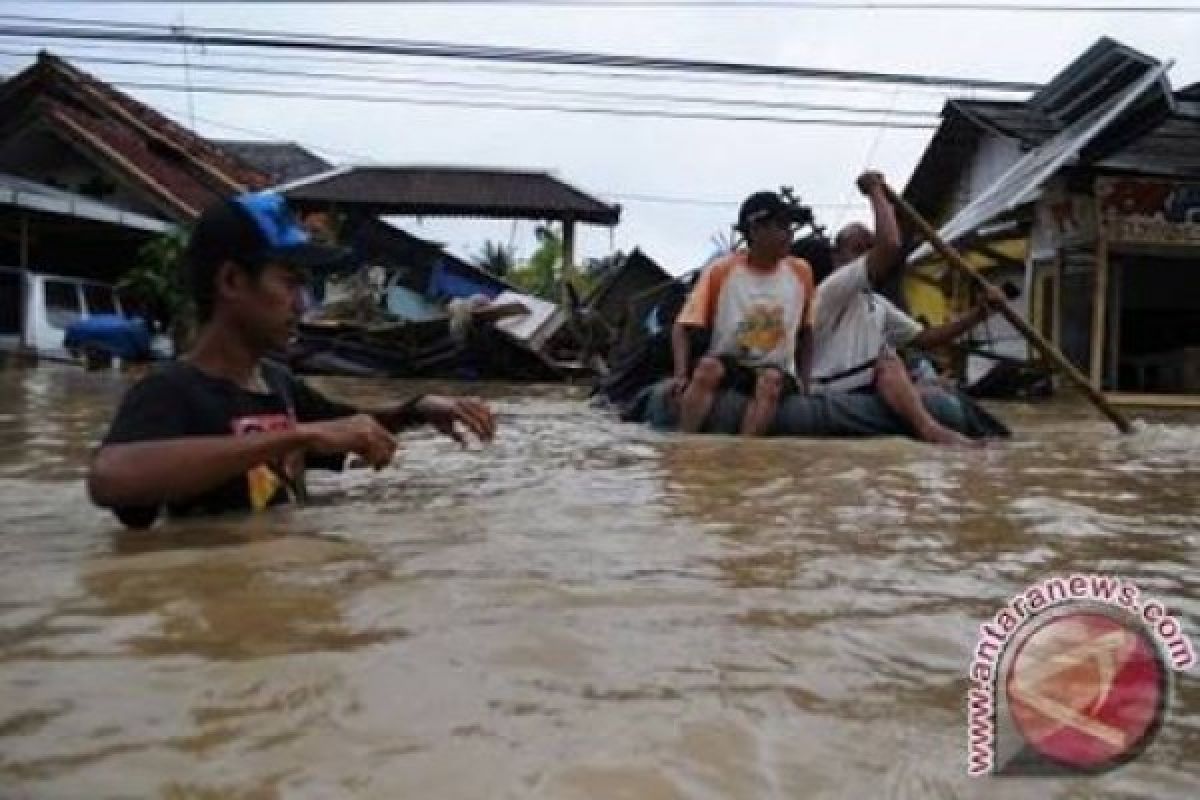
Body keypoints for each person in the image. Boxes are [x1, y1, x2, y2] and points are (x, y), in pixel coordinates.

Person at [87, 191, 496, 528]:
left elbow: (350, 426)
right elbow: (111, 479)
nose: (302, 304)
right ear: (231, 281)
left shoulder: (275, 382)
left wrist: (421, 408)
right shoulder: (171, 390)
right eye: (289, 282)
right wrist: (298, 437)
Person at [812, 171, 1004, 446]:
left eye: (868, 248)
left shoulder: (876, 304)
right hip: (831, 387)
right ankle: (932, 432)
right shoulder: (832, 289)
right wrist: (876, 193)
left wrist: (980, 313)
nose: (866, 256)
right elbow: (889, 245)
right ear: (837, 257)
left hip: (862, 385)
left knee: (931, 383)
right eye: (857, 249)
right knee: (889, 361)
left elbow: (925, 338)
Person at [671, 191, 815, 436]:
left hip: (775, 368)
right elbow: (682, 326)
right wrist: (681, 375)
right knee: (707, 368)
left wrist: (806, 384)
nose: (789, 234)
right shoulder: (722, 271)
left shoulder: (801, 272)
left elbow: (807, 332)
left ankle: (745, 453)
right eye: (781, 226)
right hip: (731, 364)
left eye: (790, 227)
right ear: (756, 230)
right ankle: (684, 443)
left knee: (769, 381)